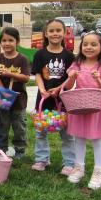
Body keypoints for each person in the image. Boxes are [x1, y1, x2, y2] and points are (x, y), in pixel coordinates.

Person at [64, 32, 101, 190]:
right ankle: (79, 168)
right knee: (79, 138)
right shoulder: (77, 64)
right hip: (81, 104)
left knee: (97, 139)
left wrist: (99, 79)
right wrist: (72, 77)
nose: (88, 47)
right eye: (85, 44)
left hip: (99, 106)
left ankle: (98, 172)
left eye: (93, 44)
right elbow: (69, 87)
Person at [31, 19, 75, 174]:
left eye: (58, 30)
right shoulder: (40, 54)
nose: (55, 33)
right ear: (46, 33)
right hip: (43, 98)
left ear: (64, 33)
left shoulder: (69, 56)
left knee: (68, 133)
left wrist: (59, 89)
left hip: (63, 99)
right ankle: (42, 159)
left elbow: (71, 78)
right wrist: (42, 89)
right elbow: (37, 73)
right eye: (51, 31)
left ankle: (69, 163)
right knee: (40, 131)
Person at [0, 27, 30, 159]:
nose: (7, 43)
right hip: (2, 100)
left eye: (11, 40)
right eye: (4, 40)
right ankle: (2, 149)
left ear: (17, 42)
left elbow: (26, 77)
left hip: (19, 101)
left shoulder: (22, 59)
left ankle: (20, 150)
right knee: (3, 125)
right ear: (0, 42)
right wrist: (3, 91)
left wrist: (10, 74)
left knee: (19, 126)